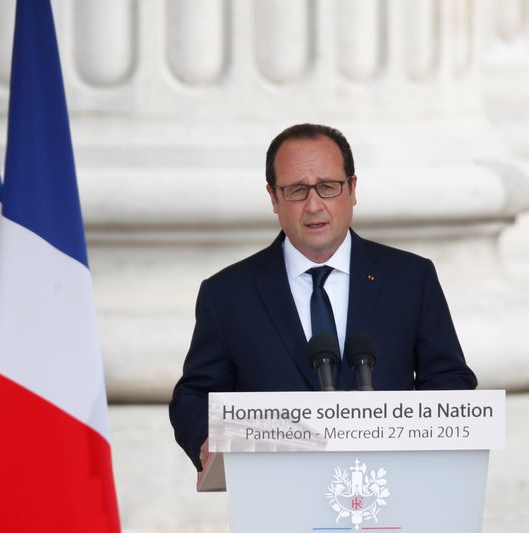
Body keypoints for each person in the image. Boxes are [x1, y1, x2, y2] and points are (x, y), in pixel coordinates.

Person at [168, 123, 477, 471]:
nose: (314, 205)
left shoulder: (410, 278)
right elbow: (194, 396)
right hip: (276, 490)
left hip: (390, 487)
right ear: (273, 197)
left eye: (327, 187)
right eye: (297, 190)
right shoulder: (228, 294)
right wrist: (207, 439)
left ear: (353, 189)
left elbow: (449, 379)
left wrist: (421, 443)